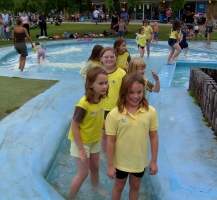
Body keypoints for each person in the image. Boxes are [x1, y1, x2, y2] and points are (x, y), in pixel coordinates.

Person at [106, 73, 159, 200]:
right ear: (124, 92)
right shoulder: (114, 114)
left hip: (139, 160)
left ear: (144, 91)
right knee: (118, 187)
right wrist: (110, 165)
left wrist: (153, 161)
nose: (135, 96)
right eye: (131, 92)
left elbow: (154, 137)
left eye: (139, 92)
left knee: (135, 186)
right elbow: (110, 141)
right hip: (120, 161)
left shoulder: (150, 112)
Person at [68, 67, 109, 198]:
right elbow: (74, 127)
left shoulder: (102, 98)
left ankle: (95, 188)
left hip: (94, 140)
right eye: (100, 83)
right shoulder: (83, 104)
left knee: (95, 167)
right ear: (90, 84)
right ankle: (71, 197)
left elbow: (97, 118)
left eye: (106, 83)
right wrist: (80, 149)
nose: (104, 86)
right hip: (81, 142)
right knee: (83, 173)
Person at [100, 47, 126, 152]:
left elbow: (126, 92)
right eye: (106, 57)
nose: (109, 59)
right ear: (101, 58)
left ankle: (118, 153)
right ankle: (105, 153)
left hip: (118, 108)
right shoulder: (98, 74)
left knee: (119, 134)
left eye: (112, 56)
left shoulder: (122, 73)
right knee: (104, 135)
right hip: (102, 109)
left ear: (116, 58)